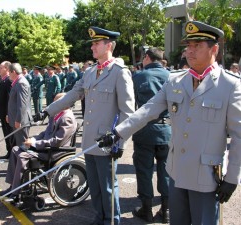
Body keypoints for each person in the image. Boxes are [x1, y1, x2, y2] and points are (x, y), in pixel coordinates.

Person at [98, 21, 240, 225]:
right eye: (188, 46)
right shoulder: (175, 81)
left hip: (206, 177)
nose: (189, 52)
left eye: (197, 46)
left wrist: (232, 178)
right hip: (176, 172)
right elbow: (148, 110)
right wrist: (118, 132)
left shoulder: (230, 85)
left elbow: (238, 136)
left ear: (214, 49)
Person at [42, 26, 135, 225]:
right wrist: (48, 110)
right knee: (94, 184)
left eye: (96, 43)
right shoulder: (91, 72)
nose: (92, 47)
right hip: (90, 140)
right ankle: (99, 217)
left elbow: (128, 111)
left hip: (108, 141)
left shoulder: (120, 72)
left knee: (108, 186)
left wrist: (121, 143)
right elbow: (73, 95)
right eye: (92, 43)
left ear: (108, 45)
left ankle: (112, 220)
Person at [0, 92, 77, 199]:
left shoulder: (67, 118)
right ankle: (12, 187)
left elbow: (56, 141)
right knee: (15, 149)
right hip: (46, 147)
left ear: (64, 103)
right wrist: (33, 139)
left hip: (55, 151)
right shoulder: (56, 114)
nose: (53, 105)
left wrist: (35, 144)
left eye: (56, 102)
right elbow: (45, 133)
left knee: (22, 156)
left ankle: (17, 191)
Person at [131, 47, 171, 223]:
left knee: (144, 171)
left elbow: (130, 103)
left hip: (144, 130)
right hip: (167, 131)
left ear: (147, 58)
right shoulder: (172, 76)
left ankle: (146, 210)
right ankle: (166, 210)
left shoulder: (138, 76)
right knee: (167, 172)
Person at [7, 63, 32, 146]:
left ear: (13, 72)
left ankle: (22, 159)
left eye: (9, 72)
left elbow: (22, 104)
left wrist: (18, 120)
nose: (8, 75)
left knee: (23, 145)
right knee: (19, 144)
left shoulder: (21, 83)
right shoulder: (18, 82)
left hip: (21, 120)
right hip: (17, 119)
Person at [0, 61, 15, 159]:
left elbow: (9, 98)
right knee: (6, 133)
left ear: (7, 69)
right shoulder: (3, 80)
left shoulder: (8, 81)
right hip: (3, 113)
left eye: (1, 67)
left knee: (9, 133)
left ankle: (11, 153)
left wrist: (8, 113)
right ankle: (9, 152)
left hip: (6, 113)